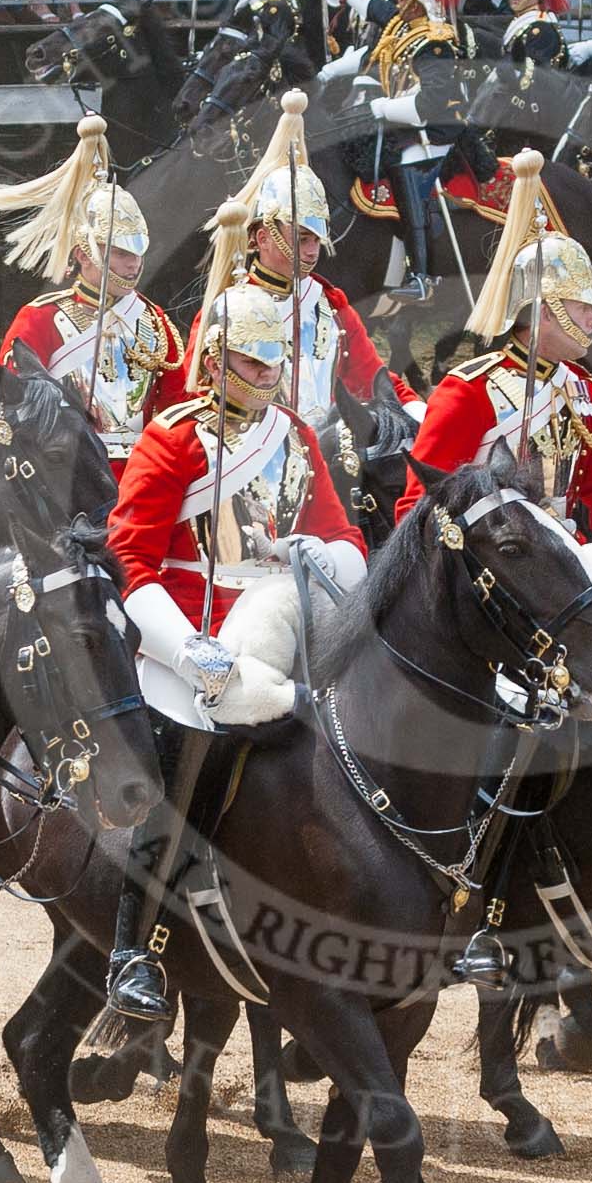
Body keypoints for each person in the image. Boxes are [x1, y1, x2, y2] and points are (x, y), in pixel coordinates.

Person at [101, 200, 369, 1022]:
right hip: (182, 634)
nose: (267, 379)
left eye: (271, 366)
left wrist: (322, 556)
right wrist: (185, 649)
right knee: (184, 767)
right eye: (251, 365)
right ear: (213, 362)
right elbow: (130, 555)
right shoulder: (172, 440)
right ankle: (133, 949)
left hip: (278, 621)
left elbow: (342, 535)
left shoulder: (296, 438)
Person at [395, 150, 592, 557]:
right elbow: (420, 508)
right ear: (543, 313)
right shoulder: (469, 391)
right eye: (582, 307)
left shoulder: (586, 393)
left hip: (568, 563)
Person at [0, 115, 185, 480]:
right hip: (68, 476)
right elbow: (11, 412)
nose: (132, 266)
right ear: (83, 254)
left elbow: (175, 408)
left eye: (136, 254)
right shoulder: (40, 320)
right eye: (118, 253)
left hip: (144, 478)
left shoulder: (154, 320)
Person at [208, 93, 421, 432]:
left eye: (315, 240)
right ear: (262, 238)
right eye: (301, 239)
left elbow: (372, 375)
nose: (312, 252)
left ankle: (420, 263)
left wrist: (416, 411)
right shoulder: (229, 306)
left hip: (325, 450)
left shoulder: (327, 302)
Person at [325, 0, 470, 304]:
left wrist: (380, 108)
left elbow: (429, 104)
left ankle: (422, 275)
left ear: (420, 4)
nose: (399, 5)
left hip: (435, 131)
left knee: (404, 170)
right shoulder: (406, 31)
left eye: (407, 0)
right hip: (404, 123)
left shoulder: (434, 41)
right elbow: (378, 11)